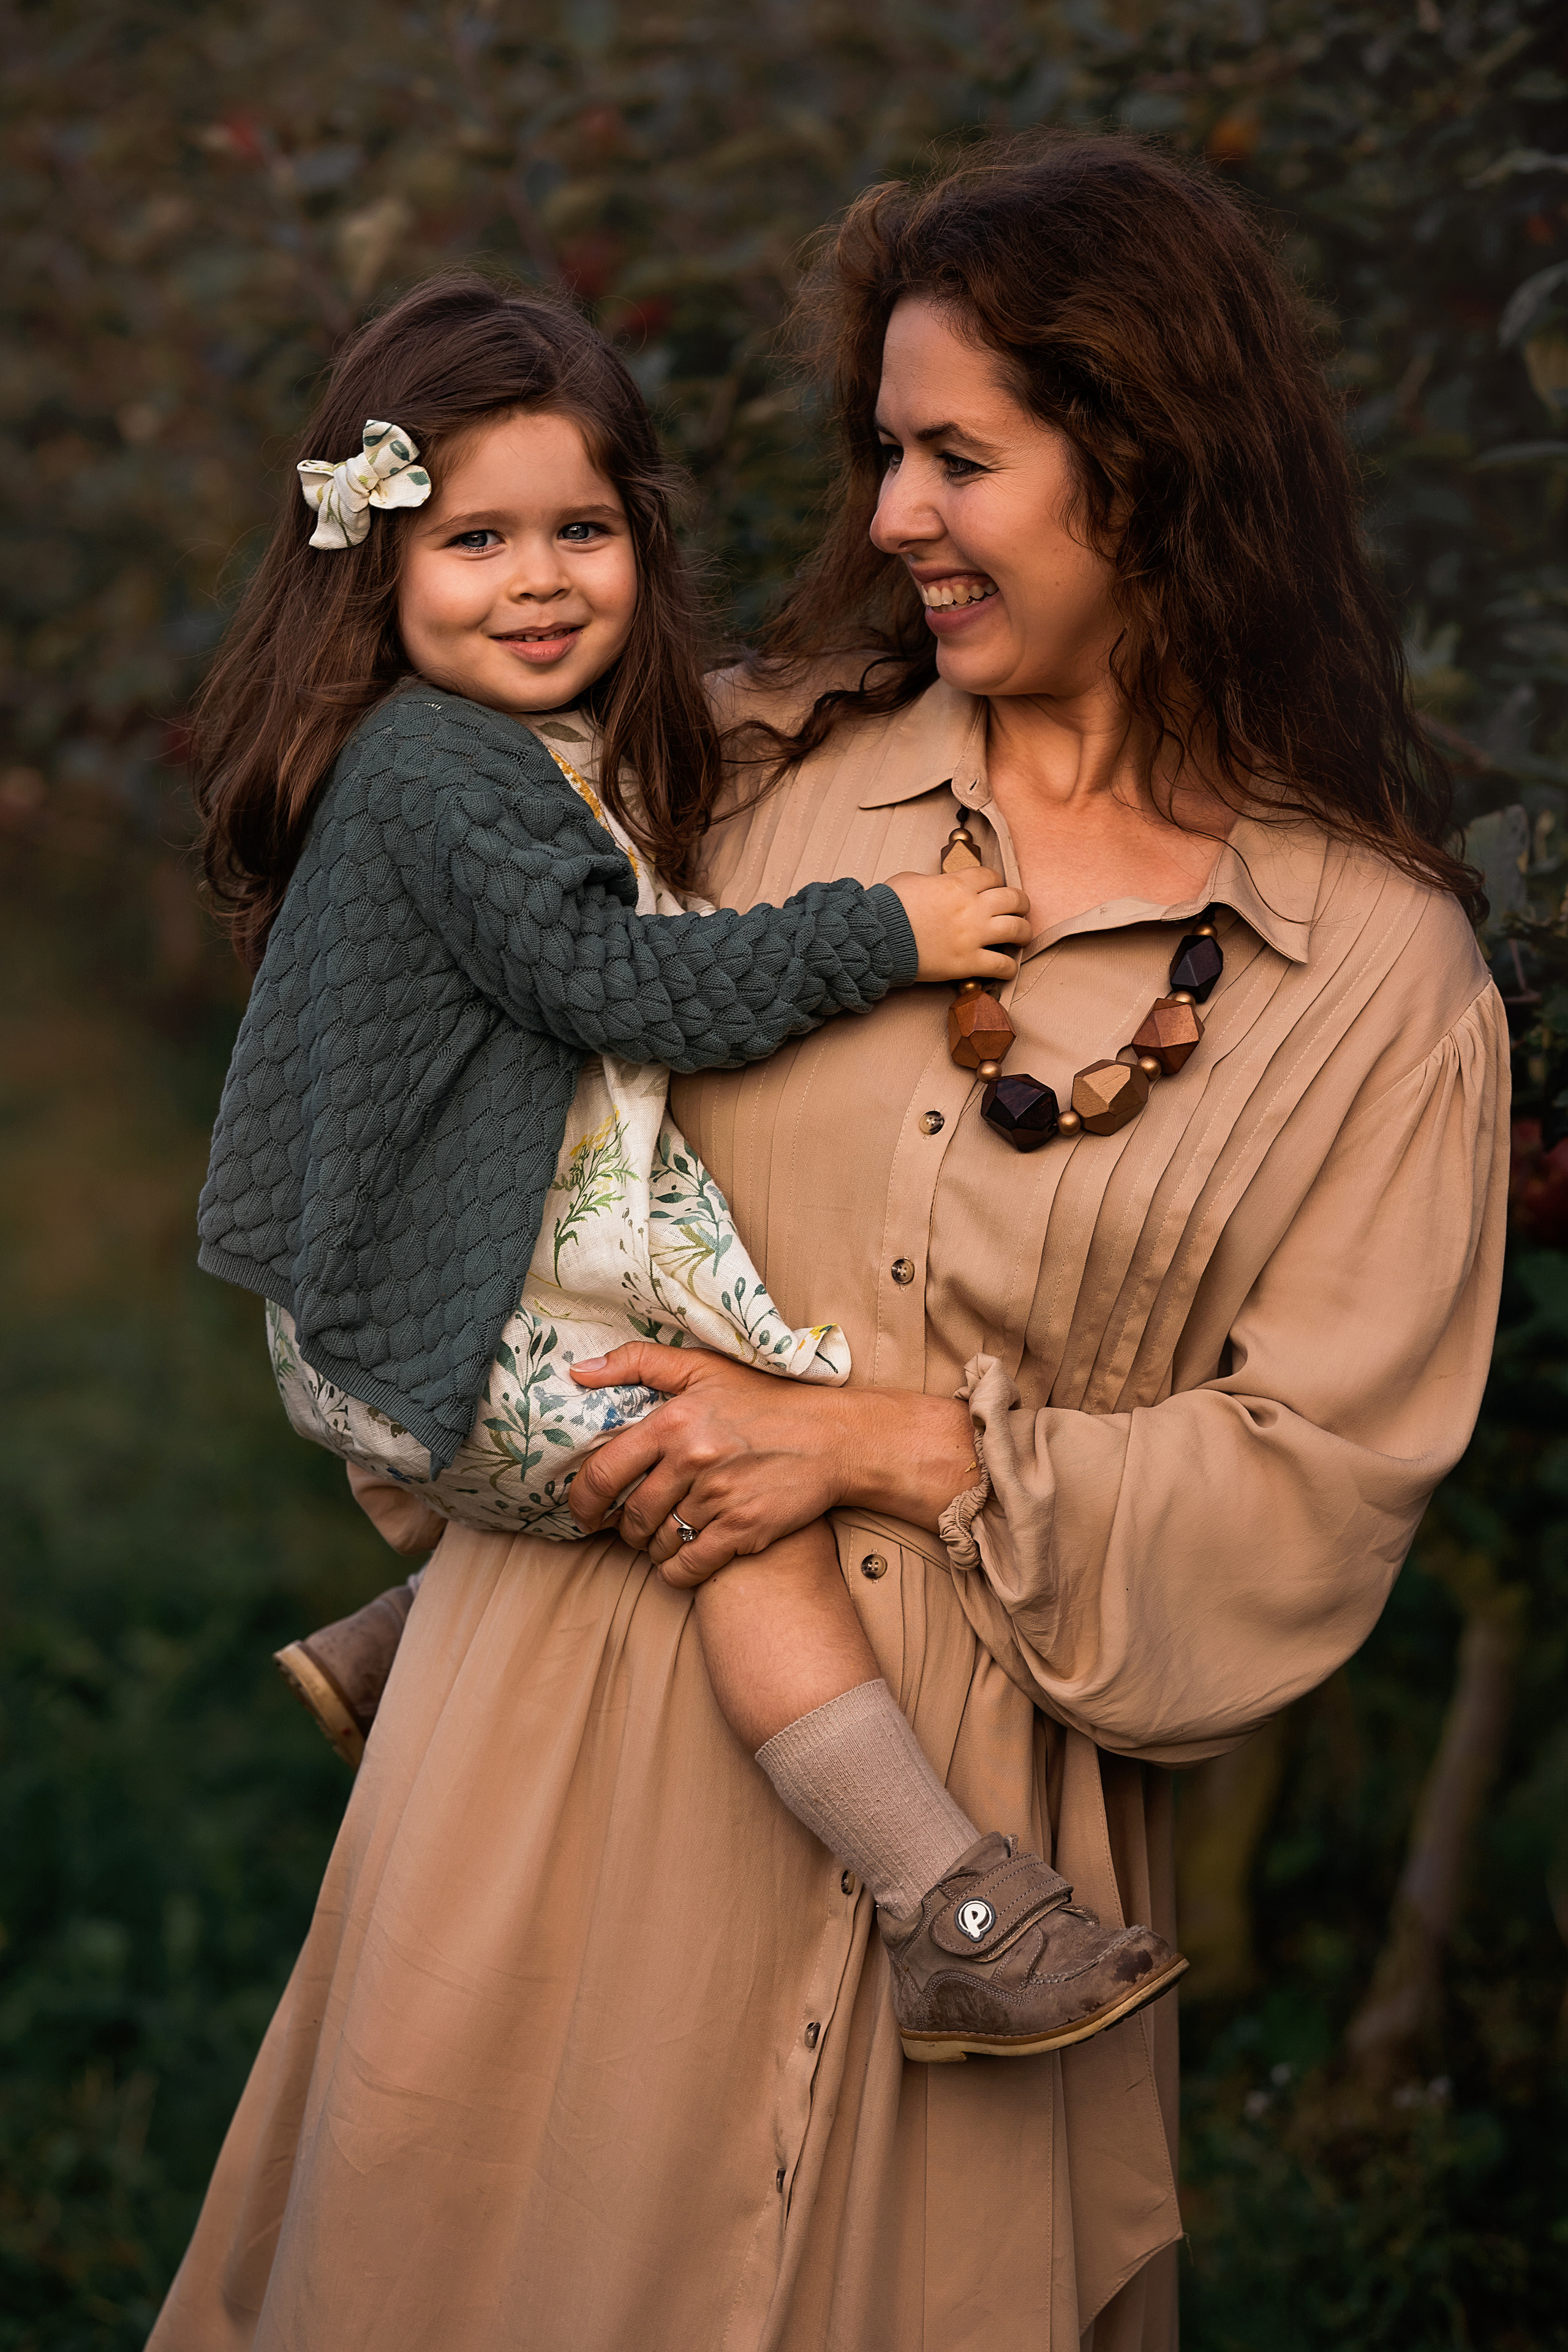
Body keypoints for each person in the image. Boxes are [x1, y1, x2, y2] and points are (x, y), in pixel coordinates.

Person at [150, 131, 1508, 2352]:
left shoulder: (1372, 979)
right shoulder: (737, 775)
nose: (885, 518)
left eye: (954, 458)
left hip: (956, 1850)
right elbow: (427, 1040)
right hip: (549, 1775)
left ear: (1150, 468)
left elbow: (1312, 1489)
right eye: (884, 451)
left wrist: (875, 1445)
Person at [190, 271, 1182, 2067]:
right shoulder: (439, 770)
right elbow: (628, 989)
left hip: (481, 1259)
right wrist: (884, 929)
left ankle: (394, 1632)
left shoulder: (503, 749)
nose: (541, 578)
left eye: (581, 528)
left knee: (694, 1398)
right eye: (476, 538)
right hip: (453, 1294)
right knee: (732, 1504)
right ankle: (948, 1909)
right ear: (380, 568)